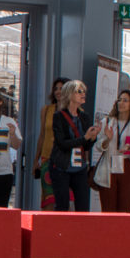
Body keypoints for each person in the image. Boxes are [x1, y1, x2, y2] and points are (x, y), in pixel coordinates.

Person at [93, 89, 130, 213]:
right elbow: (99, 146)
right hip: (109, 167)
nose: (121, 103)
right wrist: (107, 139)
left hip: (128, 165)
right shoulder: (108, 121)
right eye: (119, 100)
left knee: (125, 208)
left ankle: (124, 232)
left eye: (125, 100)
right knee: (108, 208)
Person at [49, 79, 101, 212]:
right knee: (62, 206)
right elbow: (62, 144)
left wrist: (93, 138)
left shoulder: (84, 117)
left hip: (80, 167)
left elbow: (86, 146)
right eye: (79, 91)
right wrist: (85, 138)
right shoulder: (59, 117)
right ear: (69, 94)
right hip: (62, 167)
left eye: (84, 91)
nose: (83, 94)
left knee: (83, 206)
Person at [34, 77, 68, 210]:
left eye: (62, 88)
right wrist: (36, 159)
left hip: (66, 161)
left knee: (66, 199)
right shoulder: (47, 110)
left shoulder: (76, 111)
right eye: (56, 89)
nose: (58, 91)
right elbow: (42, 134)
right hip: (47, 158)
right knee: (48, 199)